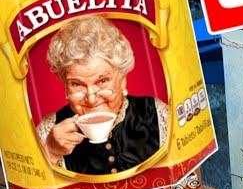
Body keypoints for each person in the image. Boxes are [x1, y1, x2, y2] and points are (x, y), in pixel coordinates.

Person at [37, 16, 168, 176]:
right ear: (65, 86)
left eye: (103, 81)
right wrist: (50, 152)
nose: (91, 99)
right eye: (76, 84)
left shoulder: (158, 113)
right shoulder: (48, 131)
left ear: (123, 80)